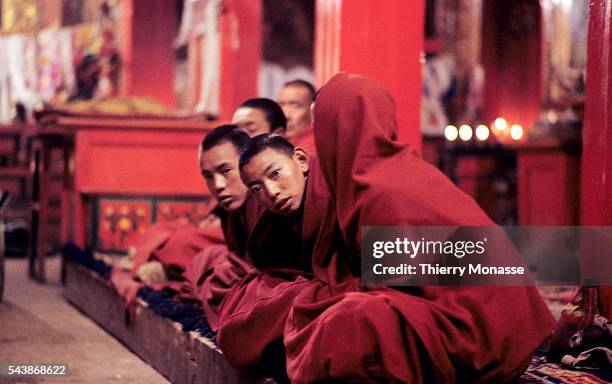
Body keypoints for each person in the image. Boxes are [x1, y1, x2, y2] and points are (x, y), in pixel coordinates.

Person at [282, 73, 556, 383]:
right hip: (492, 322)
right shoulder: (390, 171)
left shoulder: (382, 191)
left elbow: (401, 289)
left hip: (482, 335)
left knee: (350, 322)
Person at [215, 134, 331, 372]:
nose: (272, 192)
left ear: (301, 159)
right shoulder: (277, 216)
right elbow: (270, 263)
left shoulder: (338, 188)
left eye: (275, 174)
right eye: (257, 188)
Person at [276, 80, 317, 154]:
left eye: (295, 106)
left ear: (313, 109)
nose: (285, 115)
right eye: (281, 105)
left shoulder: (315, 148)